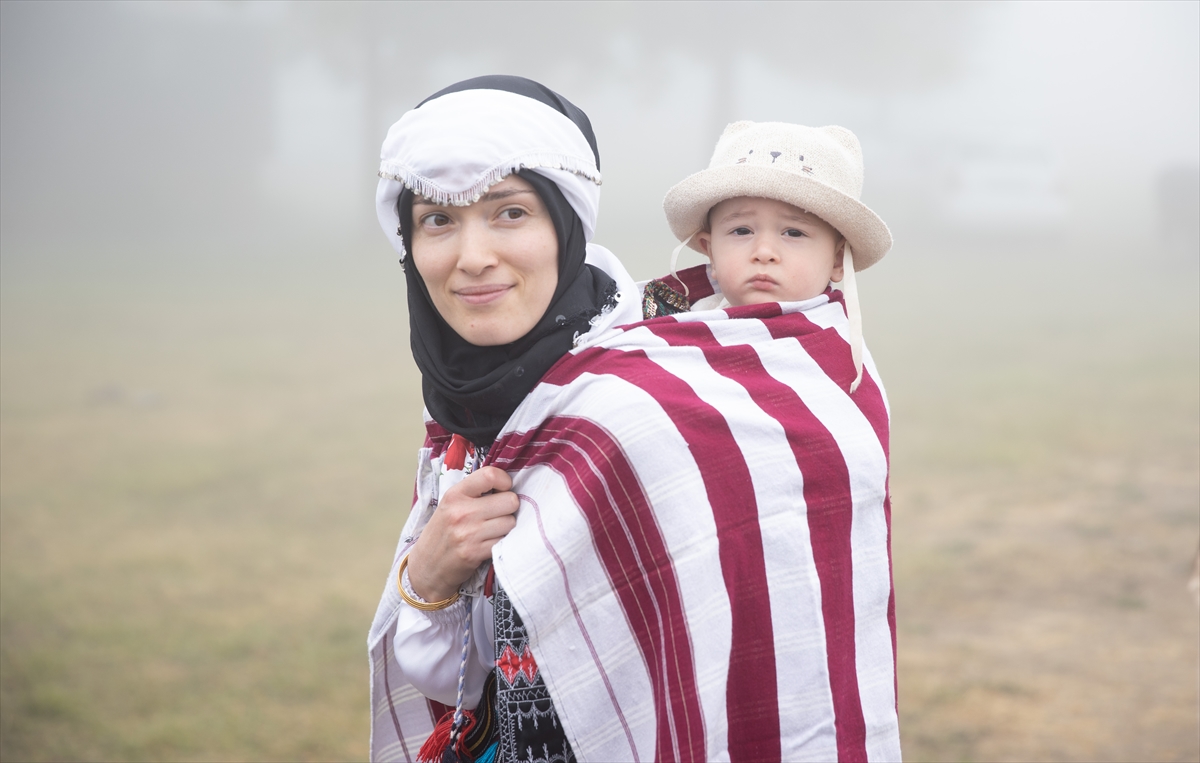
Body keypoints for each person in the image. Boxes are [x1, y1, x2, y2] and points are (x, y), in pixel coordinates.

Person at [370, 97, 901, 762]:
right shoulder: (461, 411)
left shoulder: (651, 378)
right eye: (438, 219)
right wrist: (429, 581)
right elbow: (458, 670)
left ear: (566, 221)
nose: (474, 256)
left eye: (510, 211)